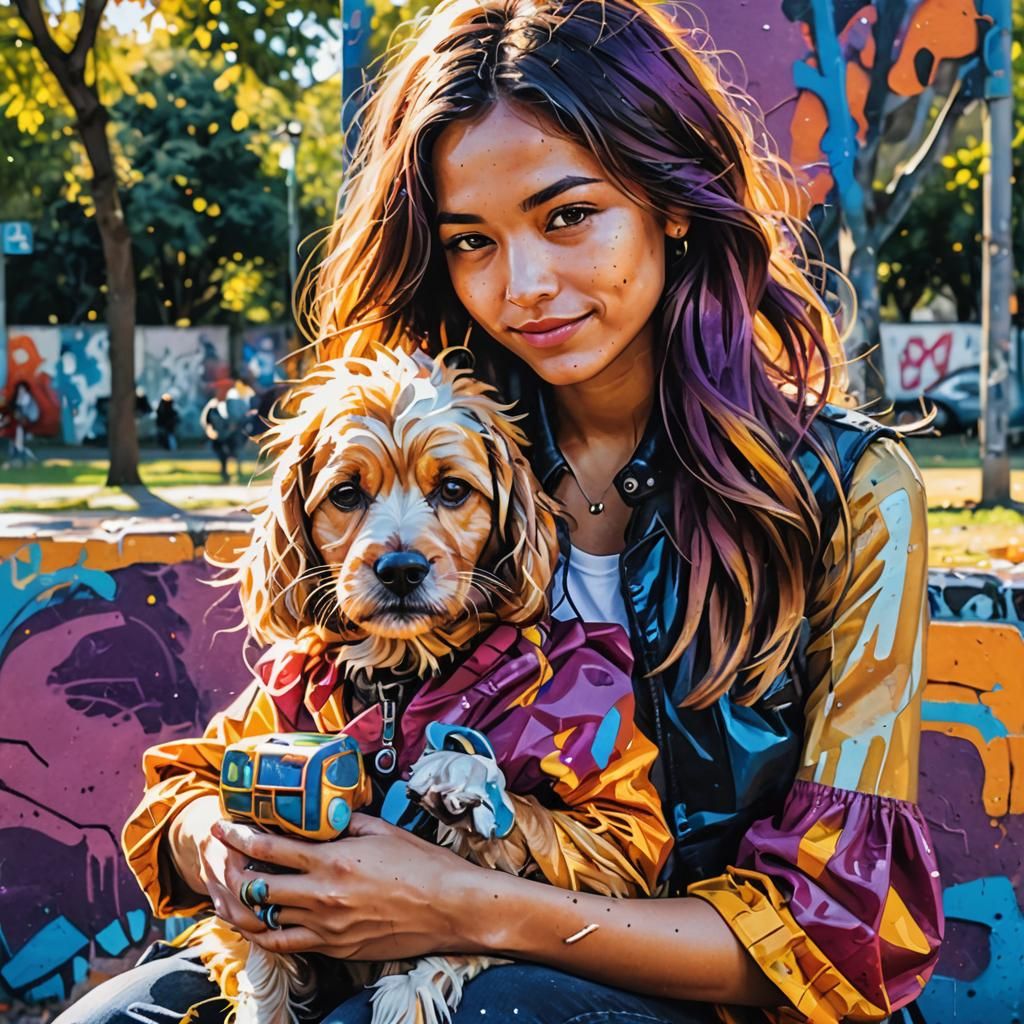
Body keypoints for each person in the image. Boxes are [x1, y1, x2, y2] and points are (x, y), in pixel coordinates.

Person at [60, 1, 941, 1022]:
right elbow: (198, 777)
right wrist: (221, 843)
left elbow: (836, 928)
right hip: (384, 948)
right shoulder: (445, 447)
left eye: (568, 215)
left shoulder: (847, 490)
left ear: (672, 200)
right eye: (472, 240)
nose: (522, 285)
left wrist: (456, 905)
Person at [200, 383, 252, 482]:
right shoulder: (212, 405)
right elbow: (207, 421)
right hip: (219, 436)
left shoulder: (234, 403)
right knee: (222, 454)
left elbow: (241, 418)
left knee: (236, 452)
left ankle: (238, 472)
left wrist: (235, 427)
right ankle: (225, 473)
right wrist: (210, 432)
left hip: (232, 435)